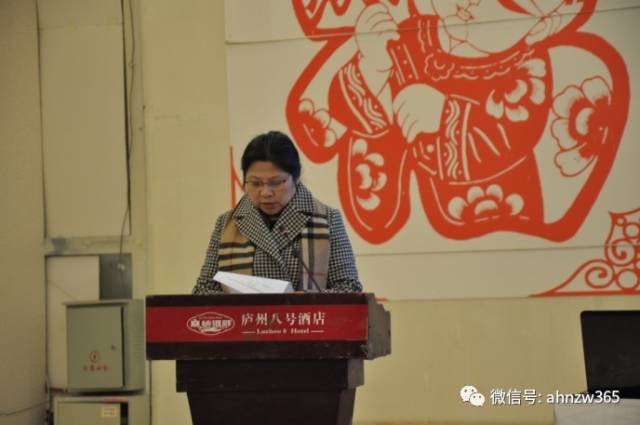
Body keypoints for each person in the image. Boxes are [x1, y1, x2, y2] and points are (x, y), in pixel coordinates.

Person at [193, 130, 362, 294]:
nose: (266, 193)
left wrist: (307, 301)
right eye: (255, 183)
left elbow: (349, 288)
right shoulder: (227, 224)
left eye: (276, 183)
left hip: (306, 314)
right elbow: (203, 290)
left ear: (295, 177)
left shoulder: (327, 219)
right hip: (246, 315)